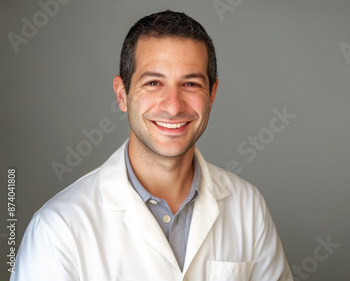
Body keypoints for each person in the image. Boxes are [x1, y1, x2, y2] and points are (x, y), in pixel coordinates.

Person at [11, 10, 292, 281]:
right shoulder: (58, 227)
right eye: (154, 82)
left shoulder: (248, 207)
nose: (173, 106)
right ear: (123, 95)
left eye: (191, 84)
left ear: (212, 95)